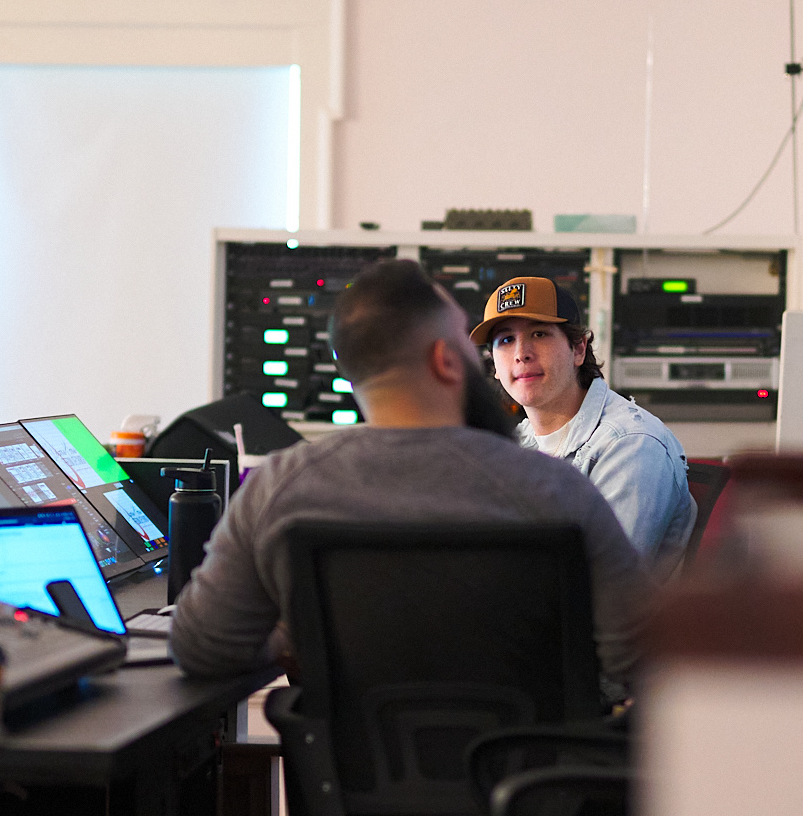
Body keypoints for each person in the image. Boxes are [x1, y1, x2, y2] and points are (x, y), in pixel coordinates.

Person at [168, 260, 650, 689]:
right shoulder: (557, 490)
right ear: (446, 360)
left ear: (350, 374)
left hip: (351, 765)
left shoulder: (277, 488)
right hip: (528, 763)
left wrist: (300, 635)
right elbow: (638, 659)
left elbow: (200, 647)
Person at [473, 277, 696, 576]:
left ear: (578, 349)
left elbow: (605, 583)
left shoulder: (631, 444)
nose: (521, 353)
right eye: (506, 340)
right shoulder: (517, 444)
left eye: (539, 333)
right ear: (495, 367)